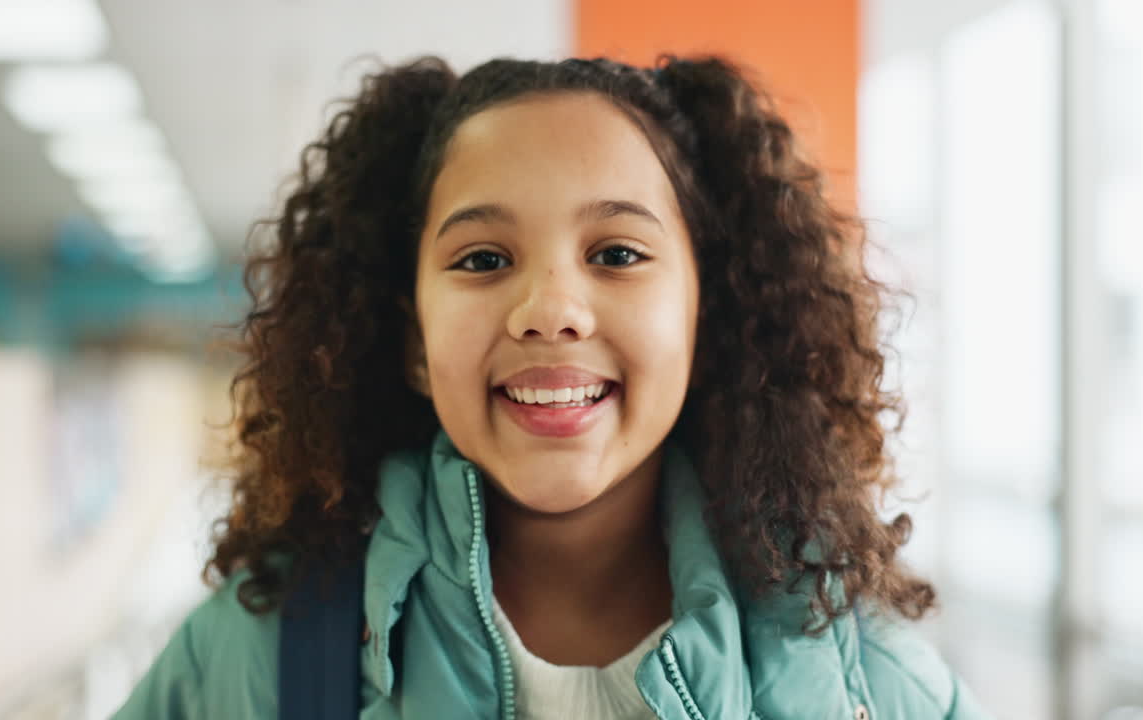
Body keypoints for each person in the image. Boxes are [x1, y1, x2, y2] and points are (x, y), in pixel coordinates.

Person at [114, 55, 991, 719]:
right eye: (482, 260)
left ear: (706, 320)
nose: (550, 311)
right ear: (412, 341)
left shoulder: (870, 687)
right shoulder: (255, 660)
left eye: (617, 253)